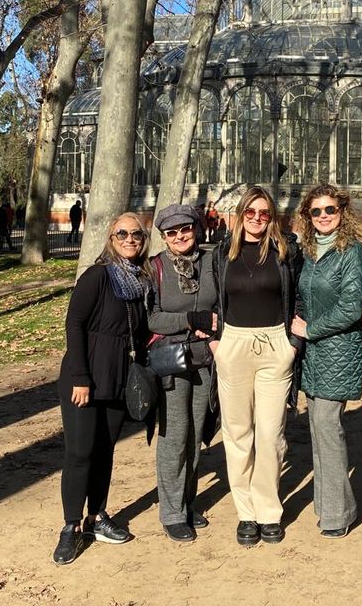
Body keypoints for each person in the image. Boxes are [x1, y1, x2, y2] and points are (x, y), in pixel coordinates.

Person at [53, 212, 152, 565]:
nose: (129, 239)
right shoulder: (97, 276)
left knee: (105, 451)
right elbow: (74, 323)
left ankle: (97, 517)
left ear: (143, 240)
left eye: (136, 234)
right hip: (86, 379)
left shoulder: (141, 282)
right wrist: (80, 376)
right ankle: (70, 527)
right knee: (80, 453)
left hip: (118, 379)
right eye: (121, 233)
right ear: (111, 239)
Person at [212, 185, 302, 547]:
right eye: (251, 213)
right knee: (237, 433)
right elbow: (212, 296)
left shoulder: (286, 251)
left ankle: (268, 510)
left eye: (264, 214)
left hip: (274, 345)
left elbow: (301, 294)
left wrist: (293, 344)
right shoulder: (223, 252)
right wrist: (216, 342)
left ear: (272, 218)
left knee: (269, 433)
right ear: (240, 214)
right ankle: (246, 512)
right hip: (233, 343)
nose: (257, 220)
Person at [291, 184, 362, 539]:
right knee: (318, 430)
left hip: (338, 350)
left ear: (343, 212)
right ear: (307, 216)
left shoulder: (352, 251)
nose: (324, 216)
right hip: (311, 354)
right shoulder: (308, 252)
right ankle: (327, 507)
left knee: (326, 427)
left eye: (330, 210)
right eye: (316, 211)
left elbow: (352, 308)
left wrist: (311, 330)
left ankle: (338, 513)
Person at [147, 204, 217, 543]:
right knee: (174, 436)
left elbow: (222, 305)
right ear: (163, 237)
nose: (180, 236)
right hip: (172, 362)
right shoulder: (155, 268)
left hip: (205, 360)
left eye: (185, 228)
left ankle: (187, 502)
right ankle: (171, 511)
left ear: (197, 228)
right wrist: (191, 321)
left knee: (195, 434)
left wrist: (213, 326)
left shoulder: (212, 262)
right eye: (171, 232)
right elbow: (152, 318)